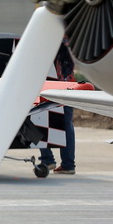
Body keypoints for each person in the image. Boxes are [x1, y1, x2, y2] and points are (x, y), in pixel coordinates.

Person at [39, 39, 76, 174]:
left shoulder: (49, 42)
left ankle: (47, 159)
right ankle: (68, 164)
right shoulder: (70, 44)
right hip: (68, 87)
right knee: (67, 125)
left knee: (39, 121)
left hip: (49, 87)